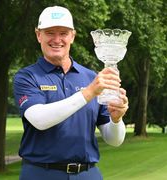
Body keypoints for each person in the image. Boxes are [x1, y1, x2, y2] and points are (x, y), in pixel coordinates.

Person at [13, 5, 128, 180]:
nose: (57, 39)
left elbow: (114, 140)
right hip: (41, 173)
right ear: (38, 35)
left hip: (88, 173)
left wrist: (116, 119)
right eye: (50, 32)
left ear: (72, 36)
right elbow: (40, 120)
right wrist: (89, 92)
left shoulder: (90, 77)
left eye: (63, 33)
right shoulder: (27, 76)